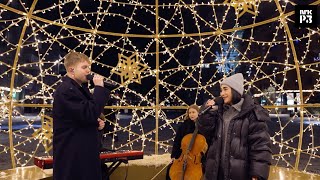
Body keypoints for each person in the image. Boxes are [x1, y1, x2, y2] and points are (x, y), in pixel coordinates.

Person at [197, 73, 272, 180]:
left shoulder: (251, 113)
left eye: (225, 89)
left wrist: (257, 174)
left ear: (235, 90)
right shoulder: (219, 111)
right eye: (221, 90)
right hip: (215, 173)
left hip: (239, 174)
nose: (222, 93)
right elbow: (205, 132)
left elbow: (260, 146)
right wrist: (207, 112)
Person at [53, 51, 110, 180]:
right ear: (71, 70)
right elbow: (89, 112)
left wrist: (96, 123)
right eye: (84, 67)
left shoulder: (79, 89)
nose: (88, 71)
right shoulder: (66, 90)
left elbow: (81, 117)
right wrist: (99, 89)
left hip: (83, 153)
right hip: (72, 155)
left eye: (89, 67)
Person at [166, 104, 207, 180]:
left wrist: (202, 155)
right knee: (170, 168)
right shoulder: (184, 126)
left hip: (198, 158)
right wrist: (174, 156)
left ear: (198, 112)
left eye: (193, 112)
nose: (191, 114)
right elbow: (177, 141)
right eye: (190, 112)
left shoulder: (203, 126)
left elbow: (205, 144)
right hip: (183, 156)